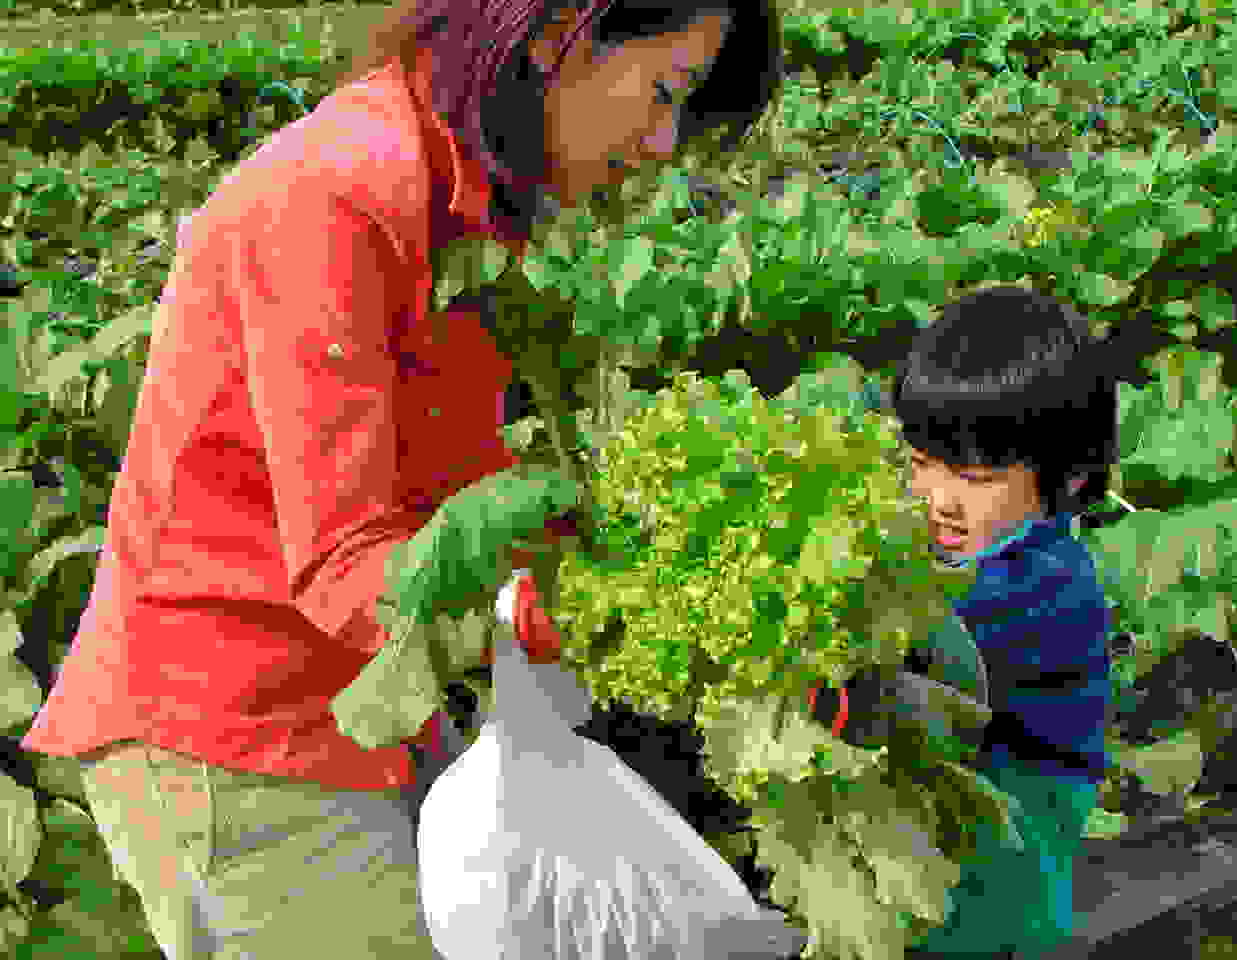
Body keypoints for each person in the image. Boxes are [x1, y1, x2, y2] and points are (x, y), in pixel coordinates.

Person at [18, 1, 782, 957]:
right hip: (230, 731)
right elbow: (348, 566)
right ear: (558, 33)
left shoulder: (457, 189)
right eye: (665, 92)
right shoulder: (338, 193)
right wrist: (558, 608)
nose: (664, 143)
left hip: (360, 714)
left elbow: (443, 482)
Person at [810, 284, 1119, 959]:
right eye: (922, 465)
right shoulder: (956, 551)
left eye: (975, 479)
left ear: (1069, 478)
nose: (940, 500)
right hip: (926, 863)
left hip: (998, 885)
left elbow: (921, 653)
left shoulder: (1044, 584)